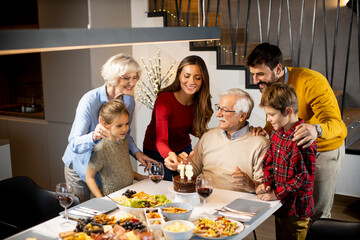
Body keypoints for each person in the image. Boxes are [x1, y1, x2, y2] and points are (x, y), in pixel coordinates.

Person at [247, 43, 347, 219]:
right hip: (293, 151)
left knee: (318, 213)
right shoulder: (270, 87)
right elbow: (274, 120)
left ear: (278, 68)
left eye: (260, 74)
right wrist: (265, 131)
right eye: (253, 74)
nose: (255, 81)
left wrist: (316, 129)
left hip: (324, 149)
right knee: (286, 206)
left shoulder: (312, 81)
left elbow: (337, 125)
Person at [62, 53, 155, 202]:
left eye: (135, 77)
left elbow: (125, 134)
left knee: (103, 212)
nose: (132, 82)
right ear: (113, 77)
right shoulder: (89, 101)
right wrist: (94, 136)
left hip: (103, 167)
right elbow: (73, 143)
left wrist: (137, 153)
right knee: (82, 213)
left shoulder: (128, 101)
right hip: (80, 165)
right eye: (126, 78)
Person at [165, 88, 269, 191]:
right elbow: (192, 173)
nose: (218, 114)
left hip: (237, 204)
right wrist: (182, 166)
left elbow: (264, 186)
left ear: (242, 116)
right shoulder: (209, 136)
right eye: (218, 108)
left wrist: (250, 184)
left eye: (224, 110)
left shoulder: (260, 143)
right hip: (205, 197)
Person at [256, 83, 317, 240]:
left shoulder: (303, 139)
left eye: (271, 114)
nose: (268, 120)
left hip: (296, 212)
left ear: (288, 111)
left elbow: (305, 180)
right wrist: (267, 183)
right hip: (280, 207)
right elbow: (269, 161)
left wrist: (277, 193)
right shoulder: (277, 133)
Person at [143, 55, 213, 181]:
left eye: (197, 78)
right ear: (179, 76)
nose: (191, 82)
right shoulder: (164, 100)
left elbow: (196, 130)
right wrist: (170, 155)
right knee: (163, 188)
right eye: (187, 76)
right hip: (156, 151)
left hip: (183, 149)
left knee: (186, 184)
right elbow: (161, 140)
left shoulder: (201, 102)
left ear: (203, 80)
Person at [86, 100, 147, 198]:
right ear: (105, 124)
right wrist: (101, 199)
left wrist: (139, 176)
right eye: (119, 125)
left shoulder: (124, 142)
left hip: (129, 193)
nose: (124, 129)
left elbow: (121, 170)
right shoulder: (102, 149)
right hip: (112, 197)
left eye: (126, 124)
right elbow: (89, 177)